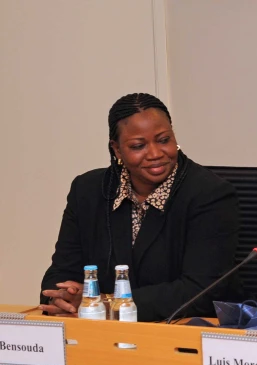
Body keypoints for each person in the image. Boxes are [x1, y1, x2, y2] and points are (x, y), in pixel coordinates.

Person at [40, 93, 240, 321]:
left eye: (164, 140)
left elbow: (201, 290)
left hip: (181, 328)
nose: (155, 154)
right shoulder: (87, 191)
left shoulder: (209, 194)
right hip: (99, 332)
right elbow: (61, 272)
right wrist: (63, 297)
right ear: (117, 150)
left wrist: (105, 305)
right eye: (138, 146)